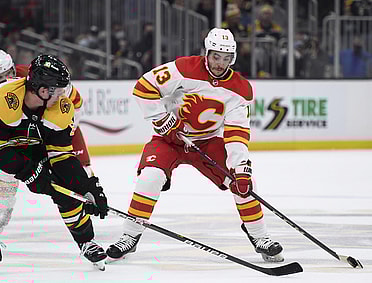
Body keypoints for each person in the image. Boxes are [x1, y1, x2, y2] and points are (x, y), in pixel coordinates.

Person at [106, 28, 284, 263]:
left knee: (242, 183)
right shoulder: (182, 69)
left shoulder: (240, 89)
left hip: (207, 141)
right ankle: (130, 236)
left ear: (234, 58)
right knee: (150, 177)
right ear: (207, 53)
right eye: (216, 57)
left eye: (226, 58)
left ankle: (260, 236)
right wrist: (163, 120)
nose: (220, 64)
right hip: (169, 139)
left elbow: (236, 132)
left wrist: (240, 166)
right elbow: (143, 88)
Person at [0, 54, 109, 270]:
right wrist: (31, 173)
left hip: (25, 137)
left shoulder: (59, 107)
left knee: (63, 184)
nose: (62, 96)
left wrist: (87, 186)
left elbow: (62, 155)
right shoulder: (5, 99)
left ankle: (86, 240)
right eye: (58, 90)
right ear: (42, 90)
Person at [0, 49, 93, 233]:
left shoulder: (34, 75)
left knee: (81, 171)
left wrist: (69, 126)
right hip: (20, 136)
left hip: (55, 129)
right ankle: (4, 210)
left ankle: (82, 219)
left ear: (14, 67)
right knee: (8, 170)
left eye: (8, 73)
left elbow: (76, 102)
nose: (5, 79)